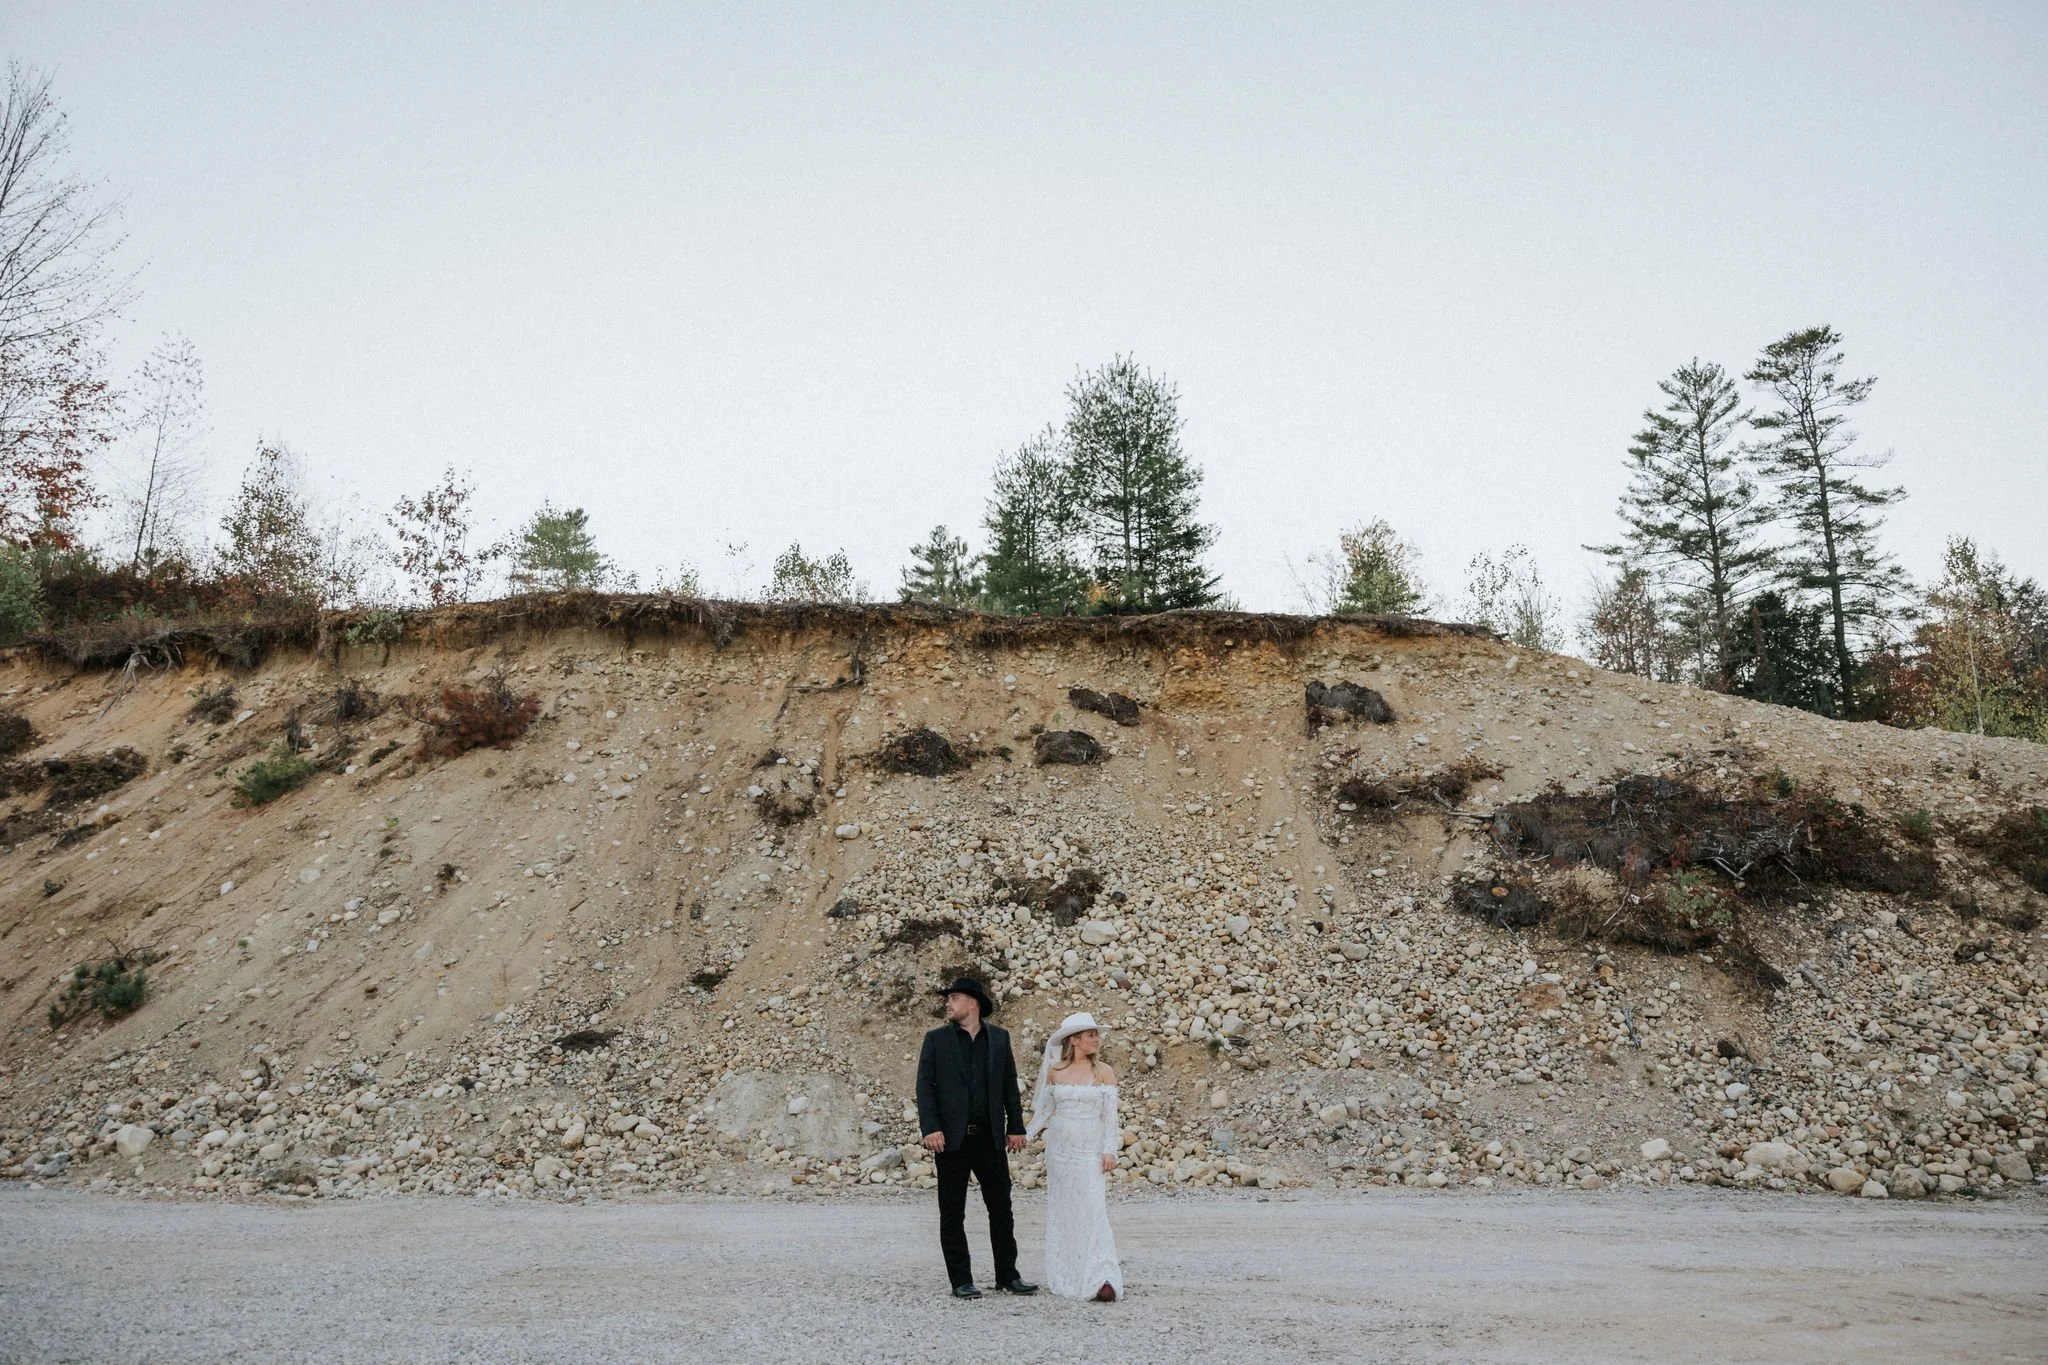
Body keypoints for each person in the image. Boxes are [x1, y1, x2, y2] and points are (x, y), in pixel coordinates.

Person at [915, 976, 1037, 1300]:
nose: (948, 1004)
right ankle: (961, 1280)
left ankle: (1007, 1276)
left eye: (953, 998)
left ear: (973, 1002)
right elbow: (925, 1087)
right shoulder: (936, 1040)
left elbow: (1010, 1085)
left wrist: (1016, 1126)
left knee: (1001, 1209)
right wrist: (930, 1127)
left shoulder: (999, 1038)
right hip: (951, 1140)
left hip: (990, 1139)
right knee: (953, 1212)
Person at [1025, 1012, 1125, 1302]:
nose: (1096, 1039)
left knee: (1093, 1209)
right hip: (1060, 1151)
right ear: (1075, 1040)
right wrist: (1025, 1135)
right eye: (1091, 1034)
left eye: (1096, 1034)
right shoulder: (1056, 1071)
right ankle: (1067, 1273)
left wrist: (1110, 1150)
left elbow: (1110, 1117)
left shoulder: (1103, 1071)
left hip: (1089, 1149)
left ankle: (1101, 1276)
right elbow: (1044, 1110)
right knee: (1064, 1210)